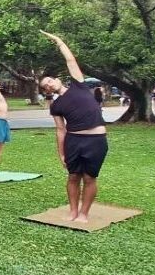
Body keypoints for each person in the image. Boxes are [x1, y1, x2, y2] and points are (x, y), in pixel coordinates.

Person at [40, 31, 108, 224]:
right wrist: (60, 152)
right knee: (72, 176)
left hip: (95, 140)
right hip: (74, 141)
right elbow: (60, 130)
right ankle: (72, 211)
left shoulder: (79, 85)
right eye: (46, 86)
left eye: (50, 80)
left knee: (89, 178)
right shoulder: (56, 106)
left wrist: (59, 41)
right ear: (46, 91)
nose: (50, 84)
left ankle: (84, 214)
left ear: (58, 79)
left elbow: (70, 60)